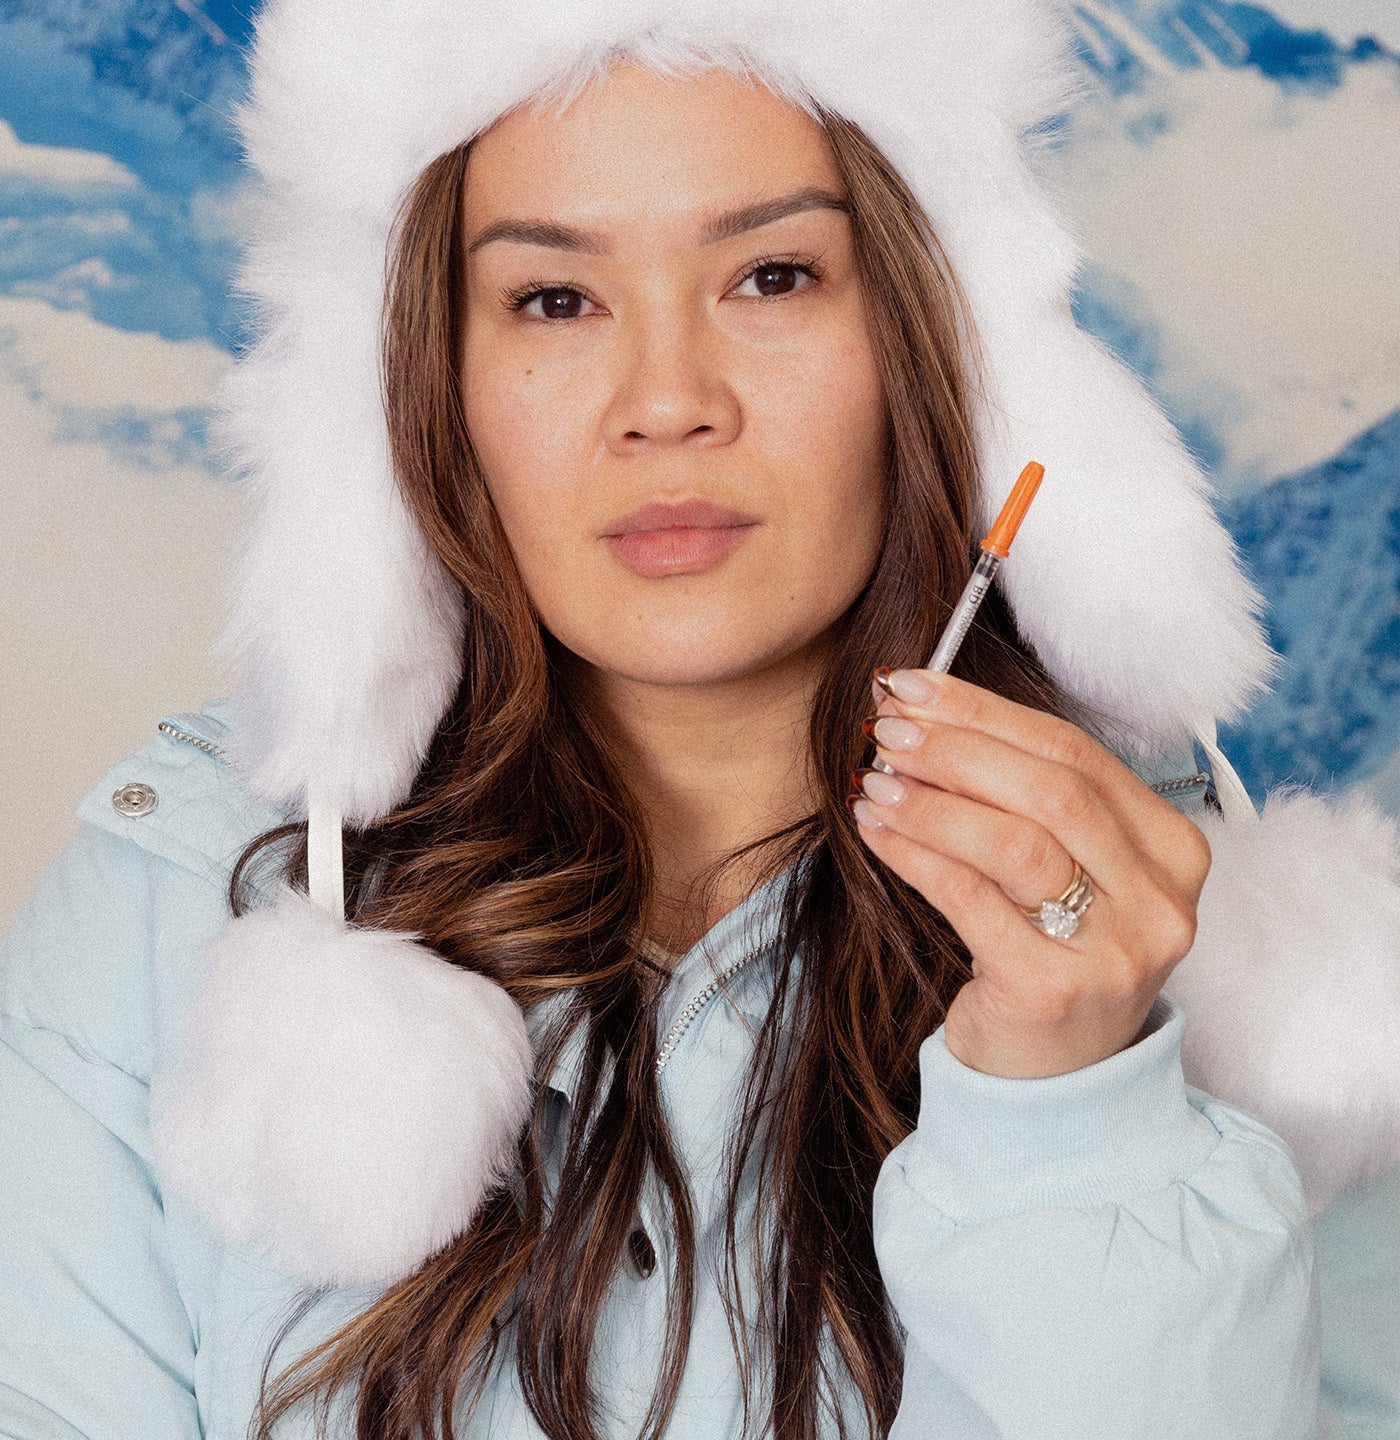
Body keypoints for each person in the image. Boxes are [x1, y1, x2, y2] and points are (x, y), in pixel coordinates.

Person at [3, 1, 1399, 1437]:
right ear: (425, 382)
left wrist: (1080, 1114)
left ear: (936, 341)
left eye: (775, 275)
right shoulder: (171, 925)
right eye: (553, 297)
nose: (667, 403)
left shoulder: (1250, 981)